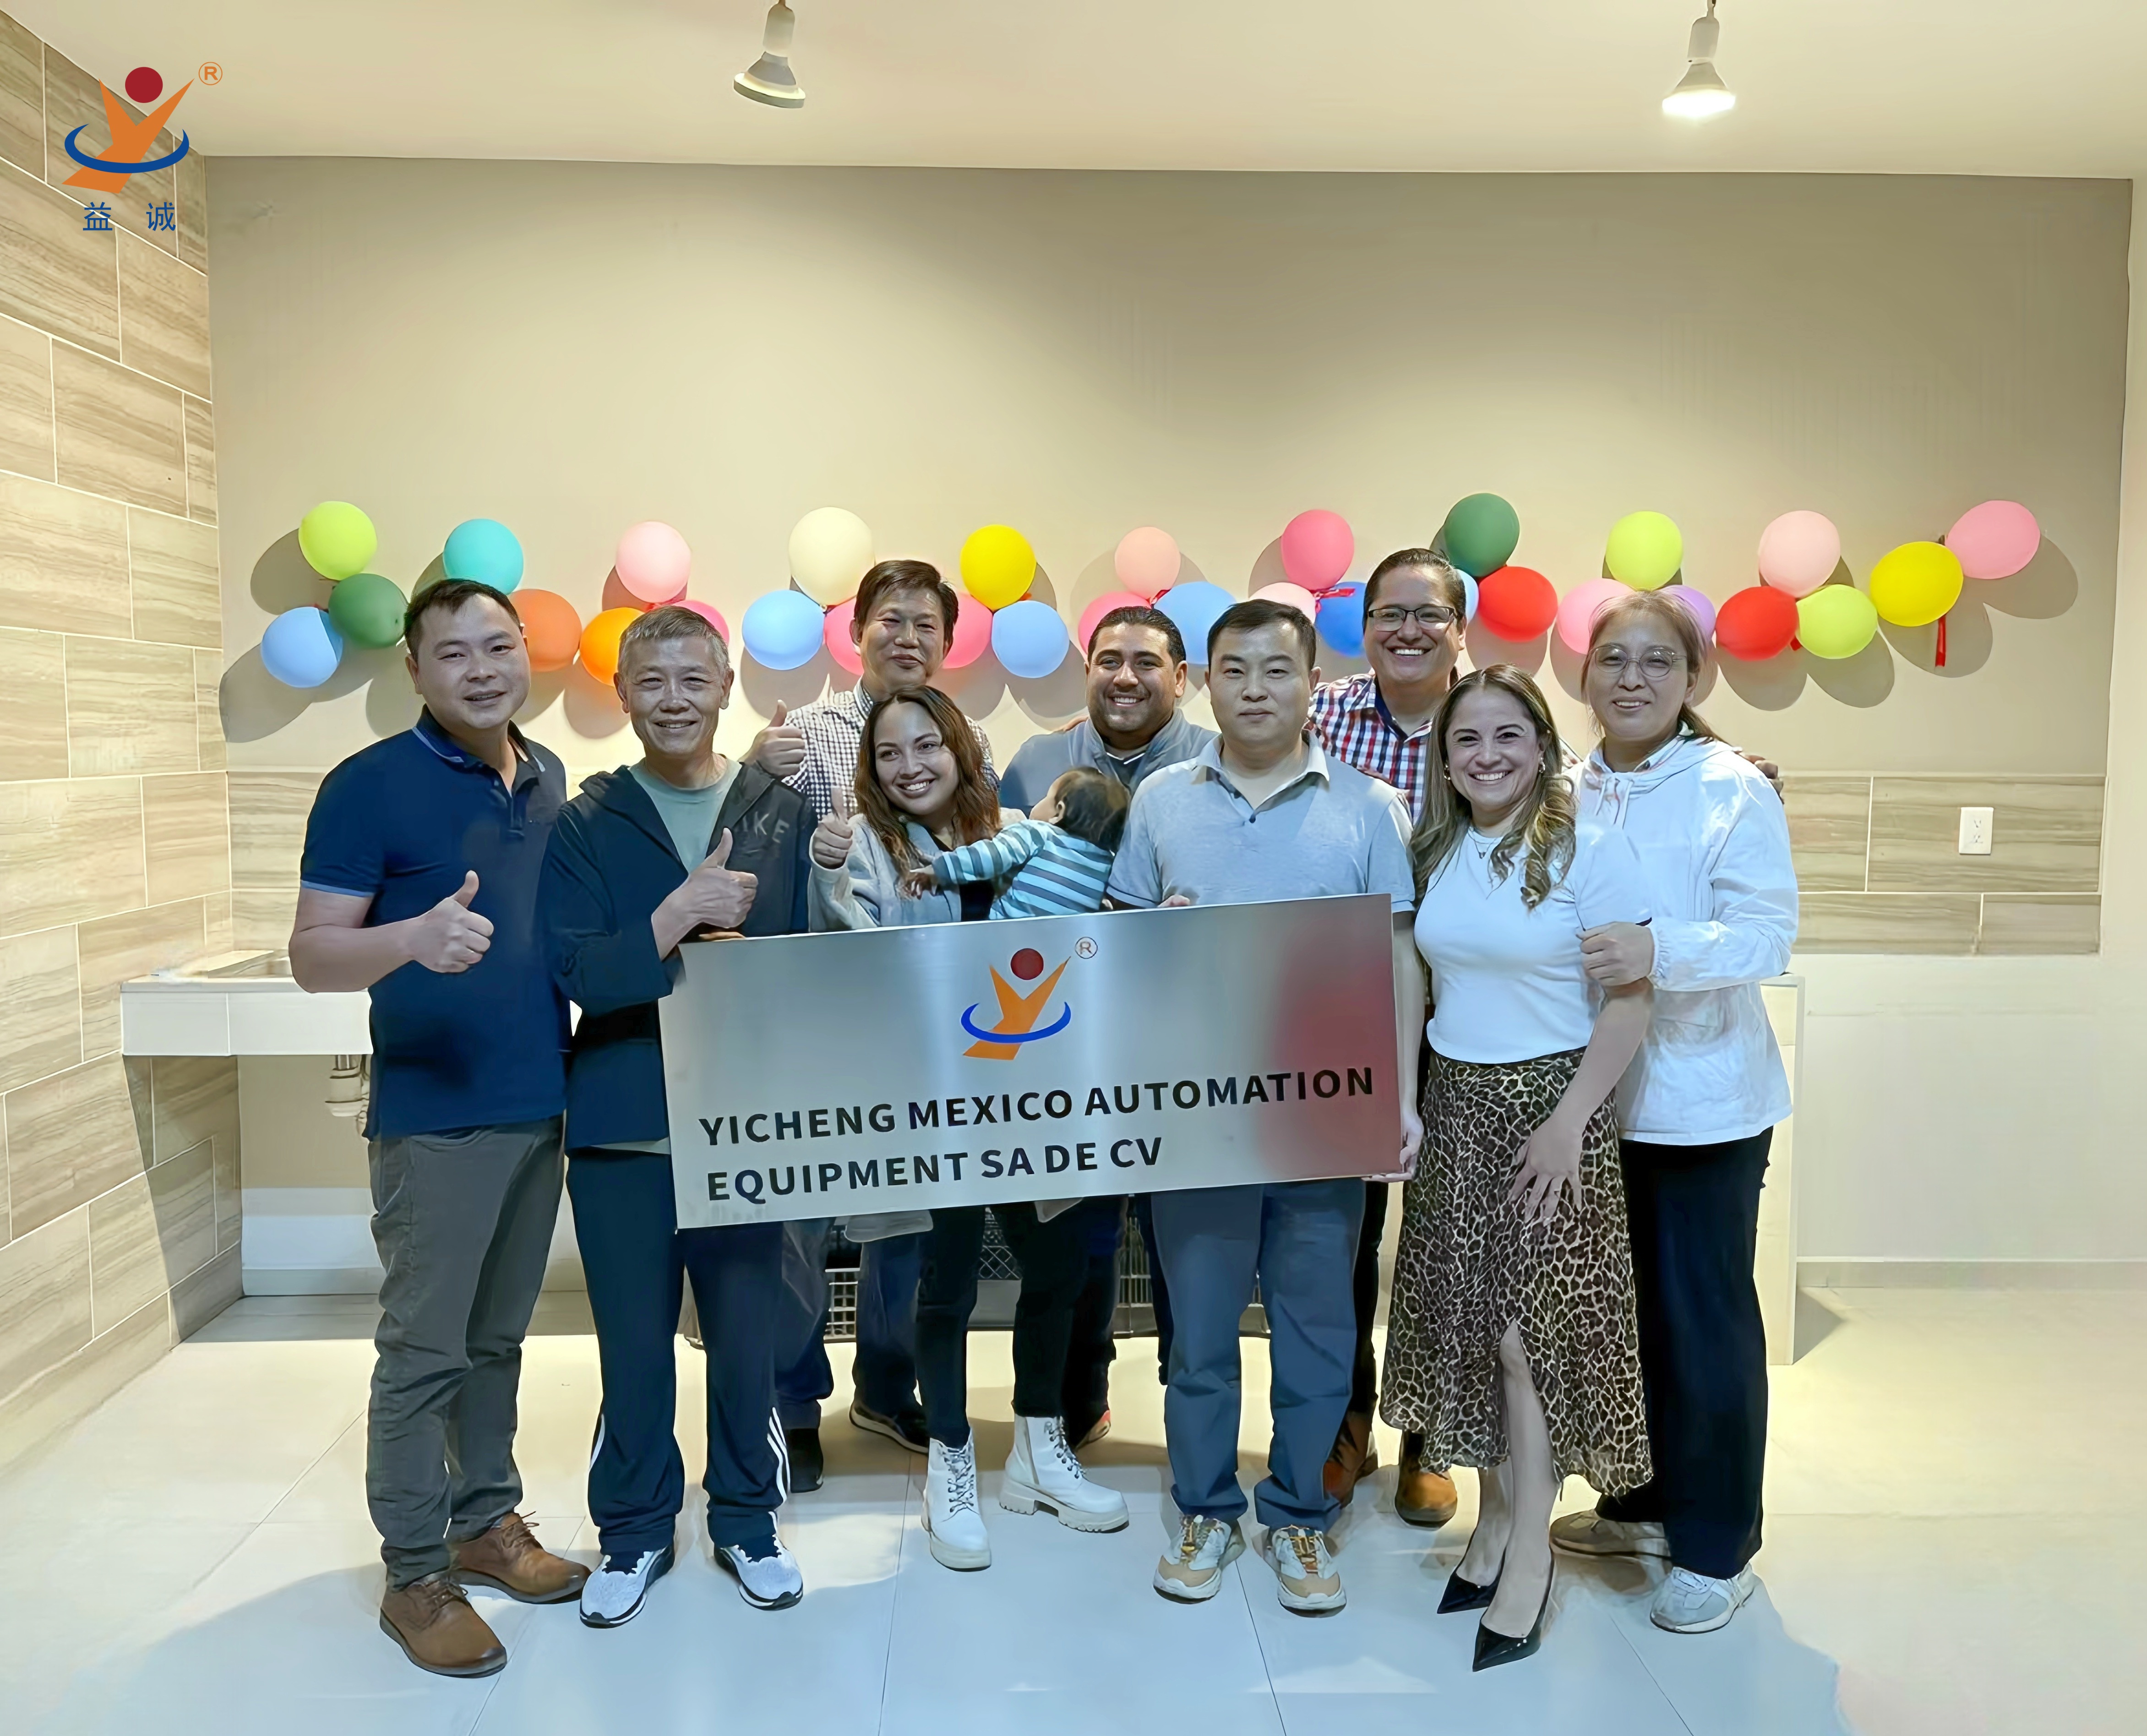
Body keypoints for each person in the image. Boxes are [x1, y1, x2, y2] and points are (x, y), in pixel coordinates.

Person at [290, 579, 585, 1679]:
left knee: (499, 1338)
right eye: (452, 652)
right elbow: (313, 954)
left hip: (538, 1099)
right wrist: (408, 937)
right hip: (434, 1118)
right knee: (425, 1351)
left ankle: (485, 1519)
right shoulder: (366, 785)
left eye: (497, 646)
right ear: (413, 668)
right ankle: (415, 1570)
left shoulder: (548, 774)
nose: (480, 668)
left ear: (525, 655)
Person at [1106, 598, 1423, 1616]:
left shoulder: (1368, 807)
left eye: (1276, 670)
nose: (1255, 690)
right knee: (1198, 1331)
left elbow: (1398, 958)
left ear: (1311, 685)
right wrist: (1153, 937)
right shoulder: (1161, 800)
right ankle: (1205, 1506)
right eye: (1235, 671)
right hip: (1195, 1116)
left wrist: (1399, 1098)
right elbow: (1119, 956)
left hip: (1326, 1112)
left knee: (1316, 1328)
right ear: (1206, 682)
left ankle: (1296, 1514)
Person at [538, 606, 816, 1627]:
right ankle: (634, 1529)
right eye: (651, 682)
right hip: (624, 1124)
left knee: (746, 1339)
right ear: (621, 693)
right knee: (633, 1345)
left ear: (725, 687)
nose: (673, 700)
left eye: (693, 680)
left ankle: (747, 1519)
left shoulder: (782, 810)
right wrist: (676, 917)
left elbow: (816, 965)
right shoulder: (586, 819)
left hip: (745, 1122)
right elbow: (574, 969)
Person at [811, 686, 1129, 1566]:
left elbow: (1077, 932)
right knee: (944, 1283)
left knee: (1057, 1268)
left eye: (926, 746)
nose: (909, 766)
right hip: (936, 1102)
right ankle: (949, 1460)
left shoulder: (1018, 827)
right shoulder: (862, 845)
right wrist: (826, 870)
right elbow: (850, 958)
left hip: (1030, 1098)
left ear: (959, 749)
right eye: (888, 753)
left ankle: (1037, 1449)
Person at [1380, 665, 1655, 1673]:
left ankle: (1529, 1552)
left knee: (1524, 1341)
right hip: (1457, 1102)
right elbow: (1416, 978)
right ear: (1445, 758)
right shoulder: (1438, 846)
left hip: (1550, 1108)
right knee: (1470, 1322)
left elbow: (1630, 1000)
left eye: (1507, 735)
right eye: (1466, 739)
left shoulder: (1590, 847)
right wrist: (1406, 1101)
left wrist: (1569, 1122)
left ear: (1541, 747)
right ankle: (1493, 1524)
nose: (1486, 754)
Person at [1548, 592, 1798, 1636]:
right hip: (1589, 1102)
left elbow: (1766, 933)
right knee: (1626, 1319)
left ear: (1693, 678)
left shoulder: (1728, 785)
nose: (1632, 678)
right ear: (1583, 674)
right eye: (1613, 658)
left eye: (1658, 661)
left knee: (1702, 1323)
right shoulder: (1562, 785)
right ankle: (1644, 1501)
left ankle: (1715, 1546)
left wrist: (1661, 947)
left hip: (1700, 1105)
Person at [746, 559, 995, 1466]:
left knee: (908, 1216)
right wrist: (751, 774)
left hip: (927, 1025)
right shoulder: (804, 734)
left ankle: (886, 1388)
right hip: (813, 1015)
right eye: (892, 619)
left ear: (947, 640)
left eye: (927, 624)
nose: (908, 637)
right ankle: (792, 1402)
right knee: (801, 1220)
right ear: (856, 631)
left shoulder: (966, 736)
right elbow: (749, 855)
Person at [1001, 604, 1217, 1446]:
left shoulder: (1215, 762)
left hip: (1183, 1037)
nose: (1125, 677)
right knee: (1082, 1233)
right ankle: (1077, 1397)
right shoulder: (1036, 762)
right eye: (1108, 660)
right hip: (1064, 1042)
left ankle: (1188, 1409)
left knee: (1180, 1232)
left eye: (1146, 662)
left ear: (1181, 678)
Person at [1307, 548, 1469, 1524]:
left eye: (1427, 614)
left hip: (1465, 1014)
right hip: (1344, 1010)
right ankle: (1347, 1422)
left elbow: (1577, 797)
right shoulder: (1321, 713)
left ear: (1460, 629)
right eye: (1388, 614)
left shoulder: (1488, 713)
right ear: (1363, 627)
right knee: (1345, 1234)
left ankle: (1428, 1437)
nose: (1407, 630)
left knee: (1441, 1236)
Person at [901, 766, 1129, 916]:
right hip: (1065, 948)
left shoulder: (1039, 833)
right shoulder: (1107, 863)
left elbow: (991, 856)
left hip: (1008, 934)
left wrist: (941, 869)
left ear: (1058, 812)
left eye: (1047, 796)